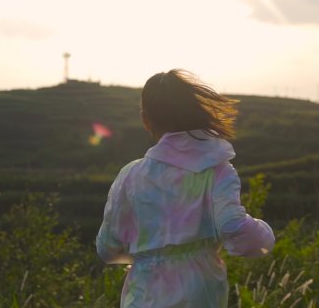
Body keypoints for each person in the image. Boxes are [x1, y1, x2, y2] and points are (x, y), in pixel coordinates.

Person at [96, 69, 275, 308]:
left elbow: (107, 248)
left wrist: (149, 254)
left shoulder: (131, 176)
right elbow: (233, 226)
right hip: (200, 293)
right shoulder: (216, 169)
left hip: (143, 296)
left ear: (145, 119)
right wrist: (264, 235)